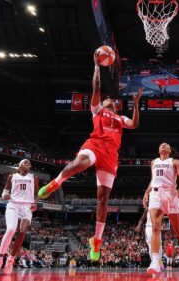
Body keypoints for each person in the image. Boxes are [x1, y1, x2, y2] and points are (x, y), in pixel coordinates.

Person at [38, 50, 143, 261]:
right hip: (95, 144)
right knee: (79, 164)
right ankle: (55, 183)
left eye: (112, 101)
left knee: (103, 200)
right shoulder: (97, 110)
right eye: (107, 100)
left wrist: (137, 104)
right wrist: (97, 66)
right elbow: (96, 87)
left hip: (111, 155)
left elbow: (135, 124)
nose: (110, 101)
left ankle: (96, 241)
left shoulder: (121, 118)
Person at [142, 143, 179, 274]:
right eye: (161, 145)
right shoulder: (153, 162)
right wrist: (146, 193)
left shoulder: (175, 162)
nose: (163, 145)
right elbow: (153, 180)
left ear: (169, 150)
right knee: (155, 227)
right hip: (155, 194)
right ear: (158, 149)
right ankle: (155, 261)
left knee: (178, 230)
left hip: (170, 194)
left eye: (166, 145)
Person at [0, 159, 39, 274]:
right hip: (13, 205)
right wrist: (5, 196)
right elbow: (4, 194)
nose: (27, 163)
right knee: (11, 229)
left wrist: (35, 203)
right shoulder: (12, 176)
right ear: (20, 165)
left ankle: (11, 260)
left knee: (22, 231)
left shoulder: (34, 177)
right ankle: (0, 259)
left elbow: (36, 193)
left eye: (29, 163)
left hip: (27, 207)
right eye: (25, 162)